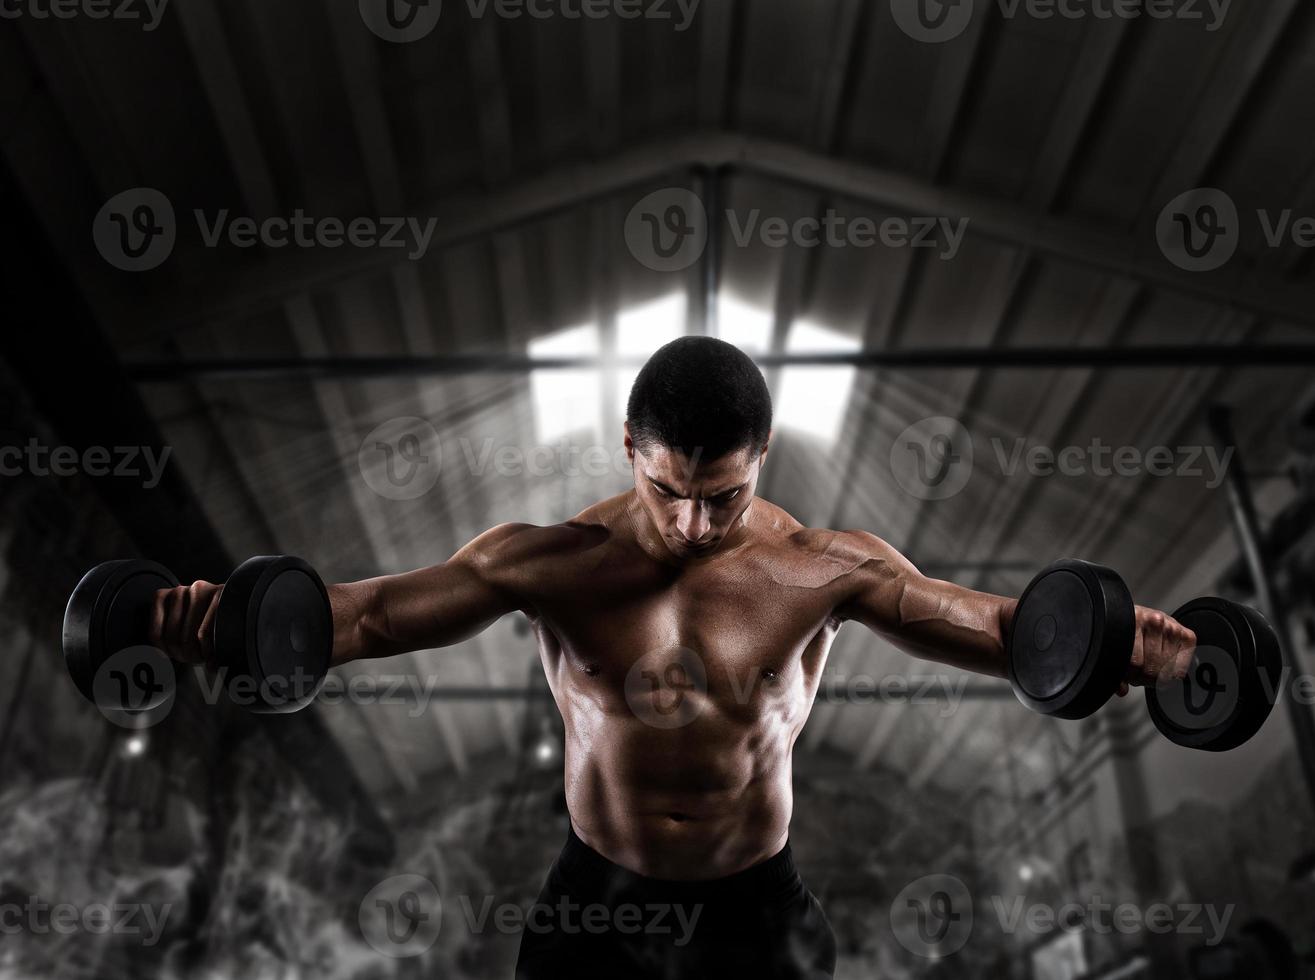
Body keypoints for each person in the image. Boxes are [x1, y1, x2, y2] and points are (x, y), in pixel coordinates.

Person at [149, 337, 1196, 979]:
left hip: (754, 907)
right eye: (670, 493)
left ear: (762, 461)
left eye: (725, 495)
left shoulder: (821, 567)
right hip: (594, 906)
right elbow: (370, 617)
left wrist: (1122, 643)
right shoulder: (550, 561)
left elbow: (1014, 632)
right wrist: (226, 620)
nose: (696, 524)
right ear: (628, 448)